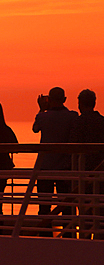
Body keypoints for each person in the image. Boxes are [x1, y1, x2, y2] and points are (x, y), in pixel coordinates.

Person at [32, 87, 79, 232]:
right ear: (64, 100)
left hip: (45, 166)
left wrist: (41, 109)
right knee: (66, 205)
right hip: (65, 166)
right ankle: (68, 234)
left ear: (49, 100)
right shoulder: (72, 116)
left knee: (44, 205)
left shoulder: (43, 117)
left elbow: (35, 129)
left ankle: (44, 234)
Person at [69, 89, 104, 238]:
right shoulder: (102, 121)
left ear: (80, 103)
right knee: (100, 208)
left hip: (83, 171)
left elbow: (72, 143)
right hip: (101, 171)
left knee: (84, 208)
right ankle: (98, 237)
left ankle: (84, 236)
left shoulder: (78, 122)